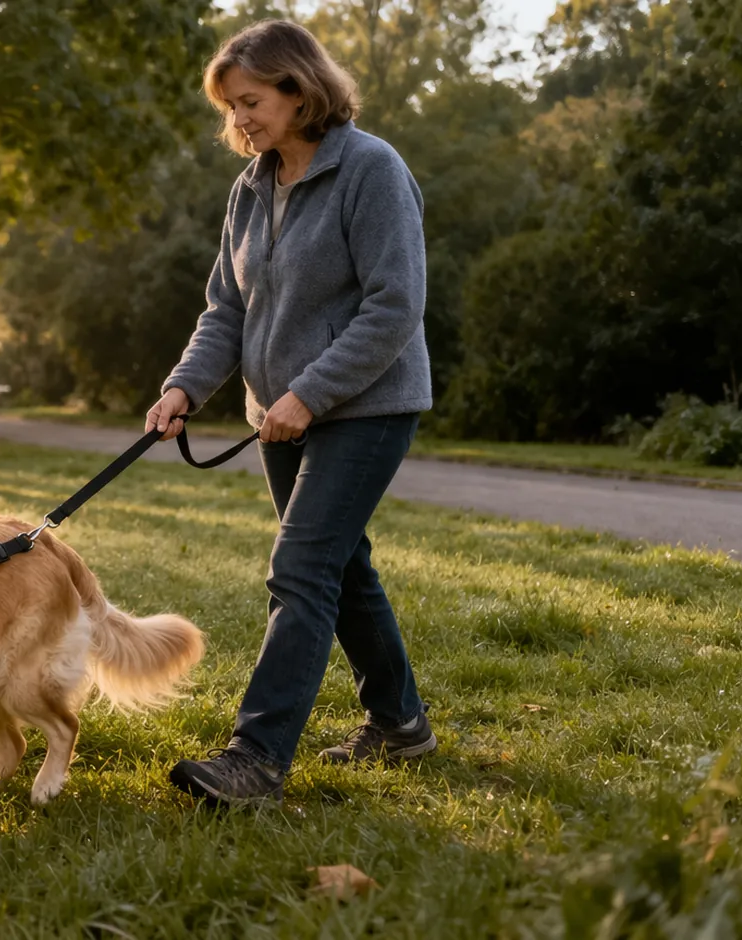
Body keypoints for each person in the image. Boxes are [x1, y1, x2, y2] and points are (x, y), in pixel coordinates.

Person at [148, 19, 437, 805]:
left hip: (366, 405)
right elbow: (226, 311)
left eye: (251, 101)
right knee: (341, 568)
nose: (239, 119)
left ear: (298, 88)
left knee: (301, 569)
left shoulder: (370, 170)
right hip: (276, 415)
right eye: (232, 107)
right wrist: (183, 388)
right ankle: (401, 723)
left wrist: (309, 393)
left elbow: (394, 307)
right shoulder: (251, 188)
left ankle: (257, 758)